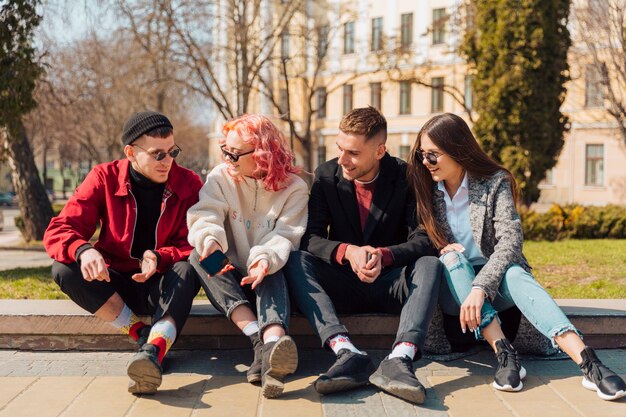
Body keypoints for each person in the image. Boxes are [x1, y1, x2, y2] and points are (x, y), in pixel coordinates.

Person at [407, 112, 626, 401]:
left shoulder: (494, 182)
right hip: (453, 304)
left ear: (457, 150)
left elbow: (510, 242)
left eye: (433, 155)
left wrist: (480, 287)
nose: (426, 162)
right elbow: (417, 240)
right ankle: (504, 354)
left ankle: (588, 362)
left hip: (493, 291)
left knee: (514, 271)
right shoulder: (425, 189)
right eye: (423, 154)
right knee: (452, 259)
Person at [283, 106, 442, 405]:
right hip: (342, 283)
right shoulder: (326, 176)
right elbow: (310, 238)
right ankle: (345, 351)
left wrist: (384, 255)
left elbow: (423, 239)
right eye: (340, 148)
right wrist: (347, 252)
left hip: (392, 284)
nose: (343, 159)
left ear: (380, 150)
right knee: (295, 259)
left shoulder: (406, 176)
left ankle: (400, 358)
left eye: (353, 153)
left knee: (431, 264)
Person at [44, 111, 203, 395]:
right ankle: (140, 333)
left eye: (172, 152)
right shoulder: (103, 177)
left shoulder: (189, 183)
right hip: (114, 282)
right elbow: (59, 229)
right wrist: (83, 250)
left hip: (161, 283)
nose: (168, 162)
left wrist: (160, 257)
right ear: (131, 152)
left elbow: (192, 243)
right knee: (62, 268)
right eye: (158, 154)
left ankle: (154, 350)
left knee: (187, 269)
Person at [187, 114, 308, 399]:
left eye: (234, 153)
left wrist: (262, 260)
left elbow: (286, 235)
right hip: (228, 272)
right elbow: (205, 215)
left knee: (272, 266)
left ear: (263, 154)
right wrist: (212, 242)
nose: (227, 158)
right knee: (198, 255)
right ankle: (260, 340)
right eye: (224, 150)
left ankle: (272, 352)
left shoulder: (295, 188)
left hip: (269, 269)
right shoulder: (220, 177)